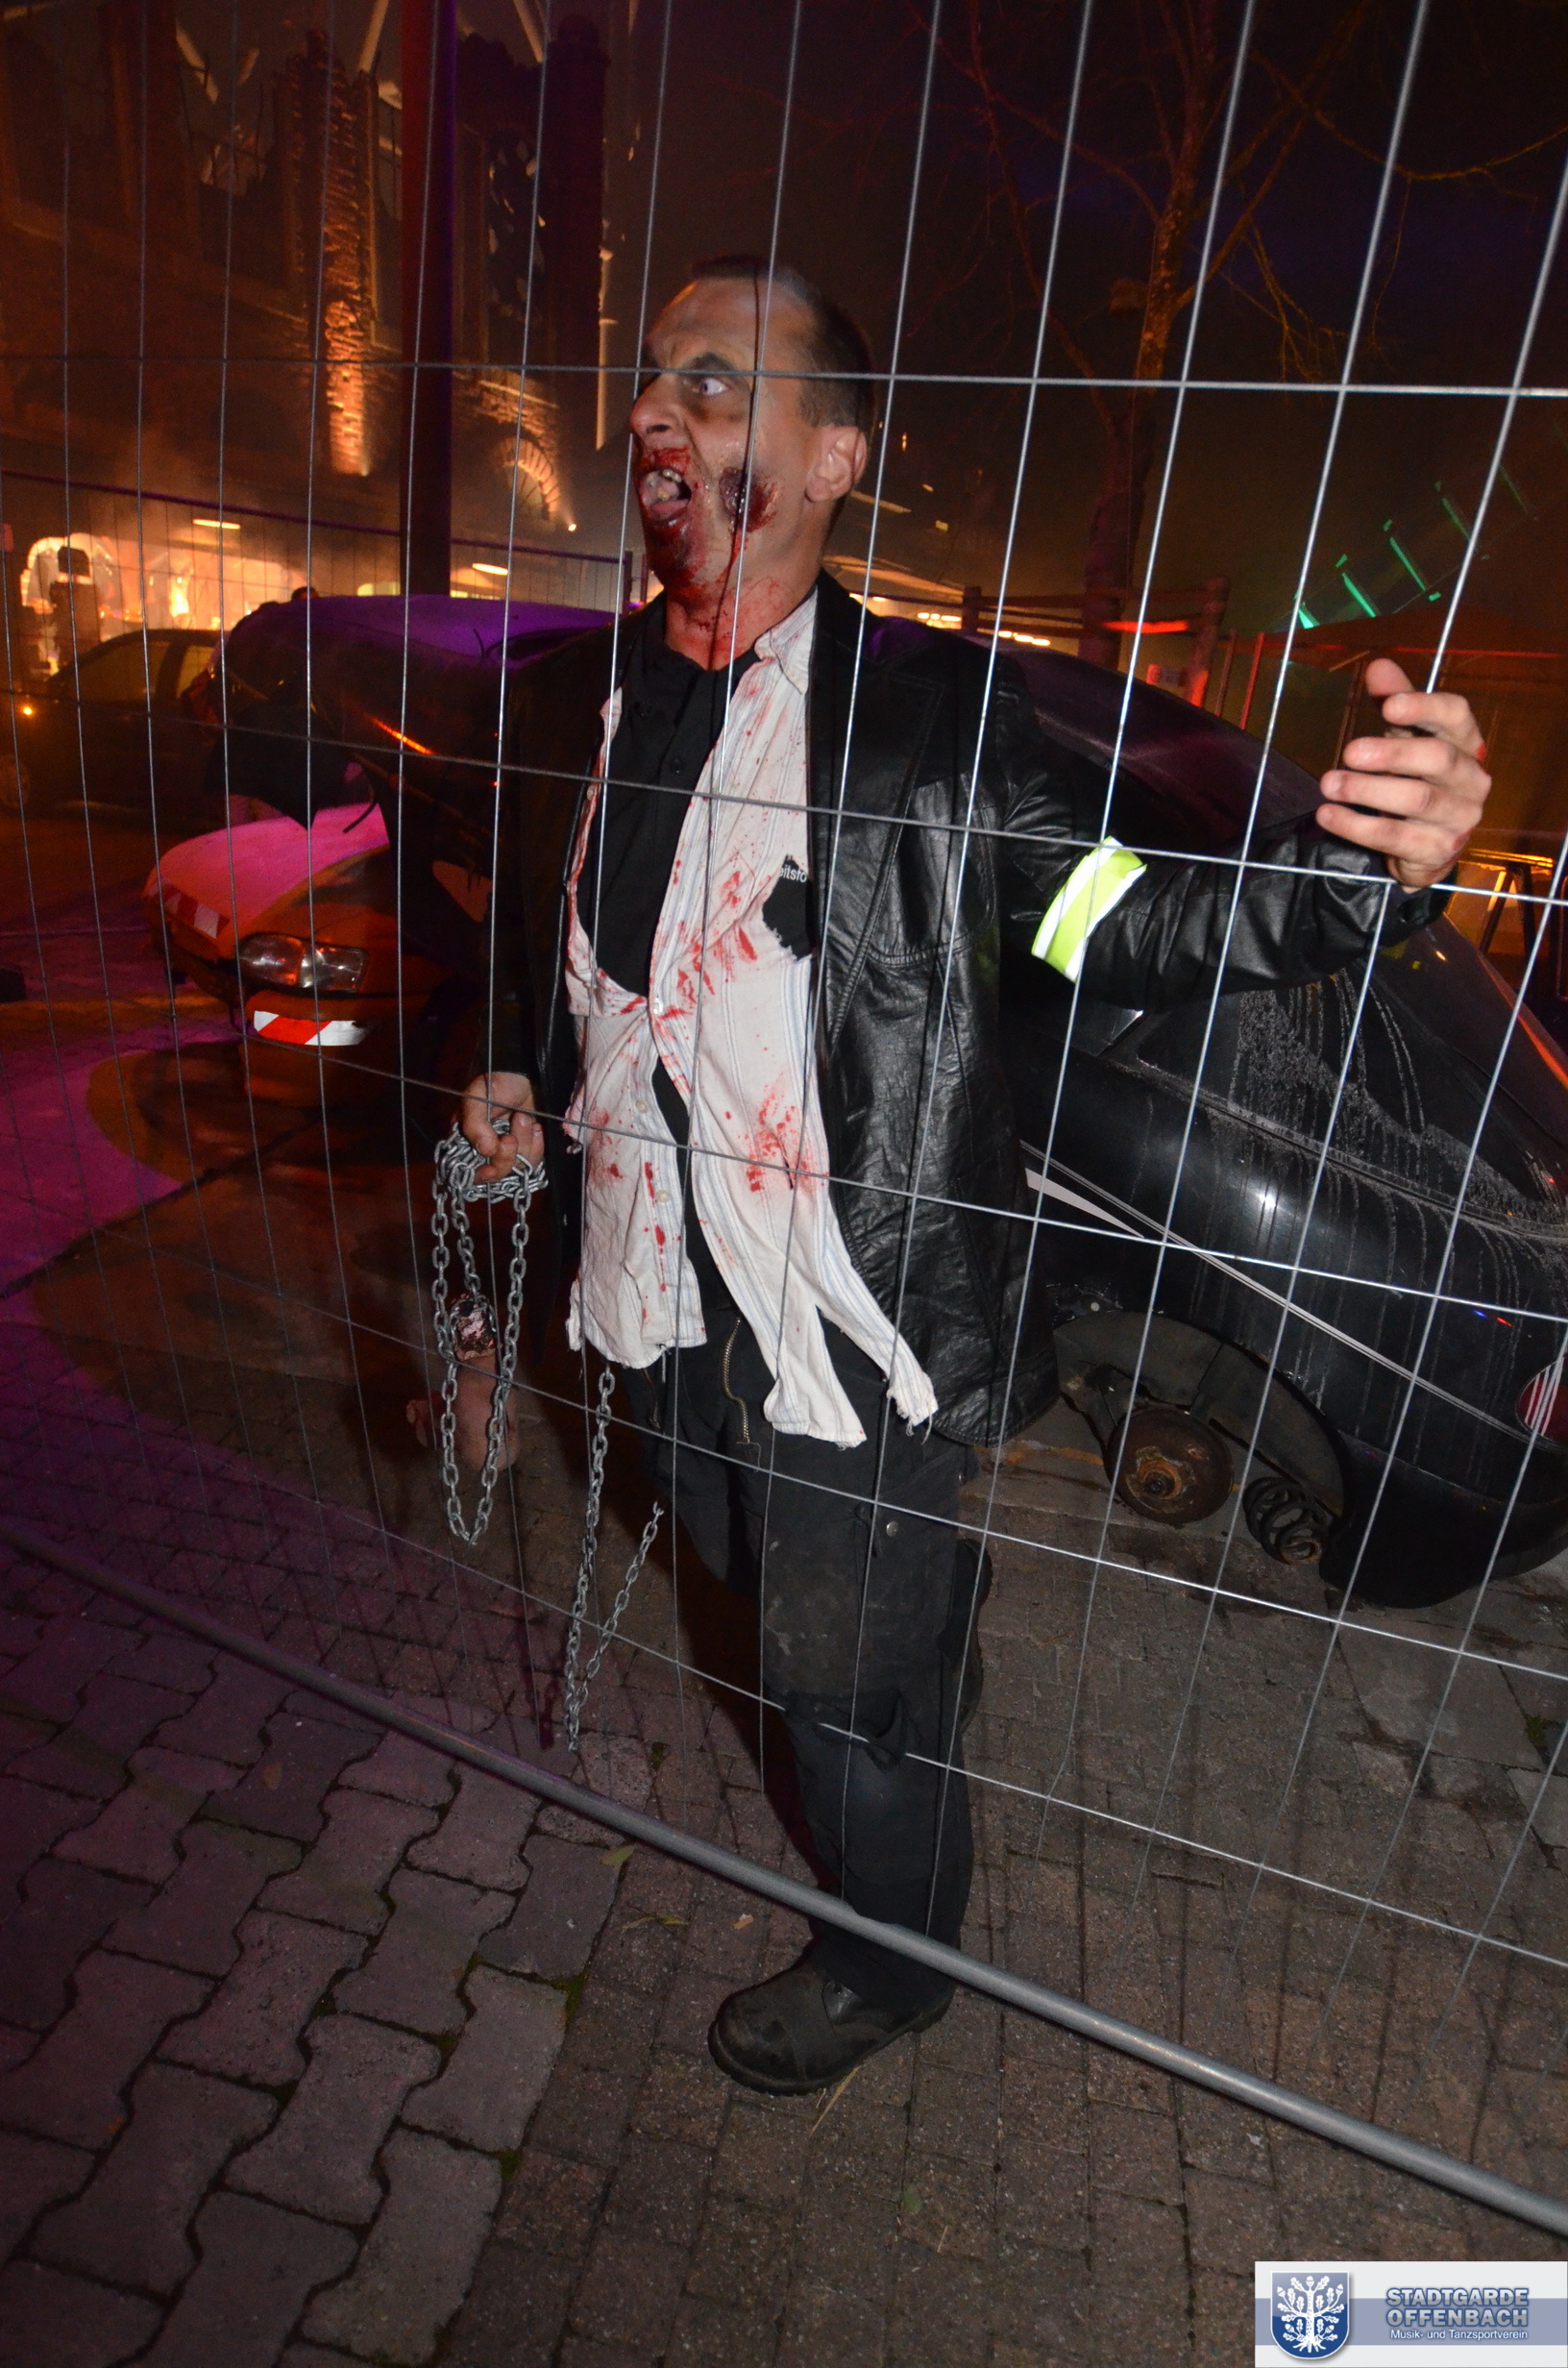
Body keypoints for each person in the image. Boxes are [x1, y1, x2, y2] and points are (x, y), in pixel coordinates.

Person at [457, 255, 1492, 2097]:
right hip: (655, 1275)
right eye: (654, 379)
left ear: (834, 457)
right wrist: (524, 1077)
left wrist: (1367, 879)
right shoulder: (595, 693)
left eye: (718, 381)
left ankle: (892, 1960)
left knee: (840, 1690)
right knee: (744, 1573)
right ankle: (918, 1647)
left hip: (845, 1310)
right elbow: (582, 938)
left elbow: (1127, 917)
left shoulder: (937, 718)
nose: (659, 412)